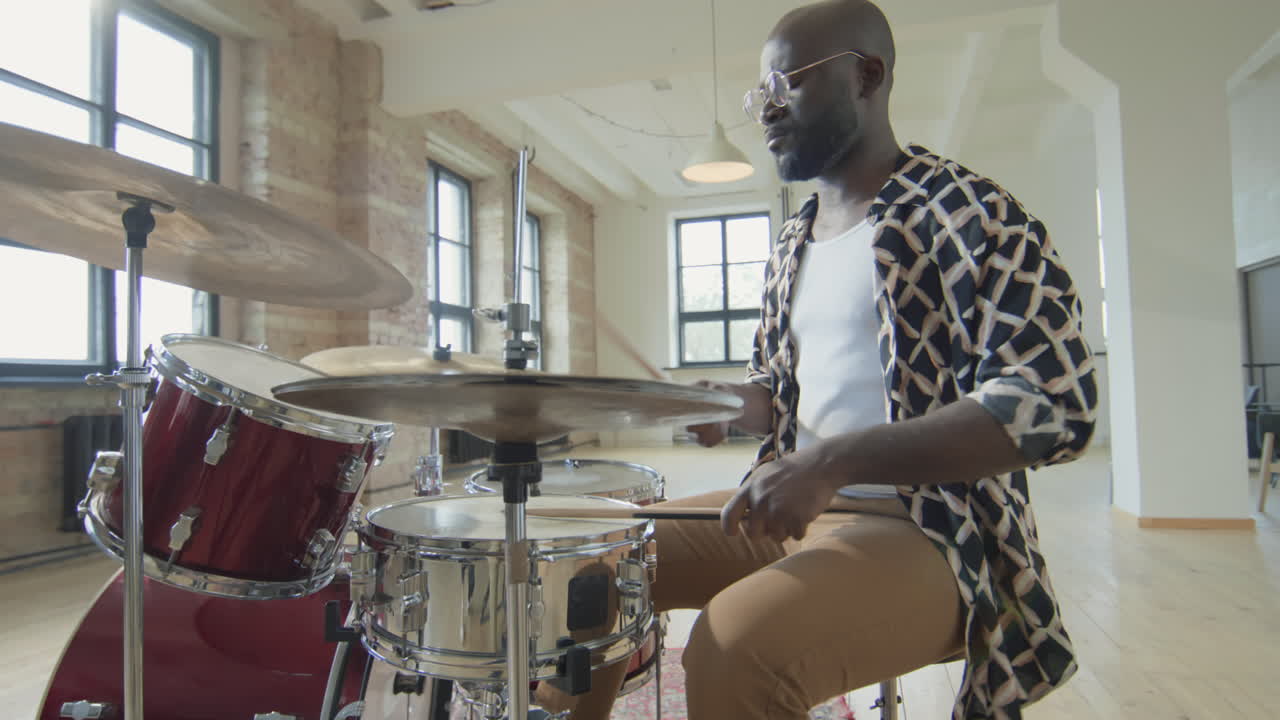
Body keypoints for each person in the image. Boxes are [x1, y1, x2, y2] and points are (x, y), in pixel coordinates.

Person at [538, 0, 1097, 717]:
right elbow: (783, 395)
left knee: (735, 648)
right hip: (797, 510)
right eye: (759, 95)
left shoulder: (972, 215)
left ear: (866, 76)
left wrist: (831, 463)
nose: (765, 111)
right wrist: (722, 404)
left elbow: (1053, 406)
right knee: (600, 569)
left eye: (786, 85)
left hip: (935, 534)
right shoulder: (792, 242)